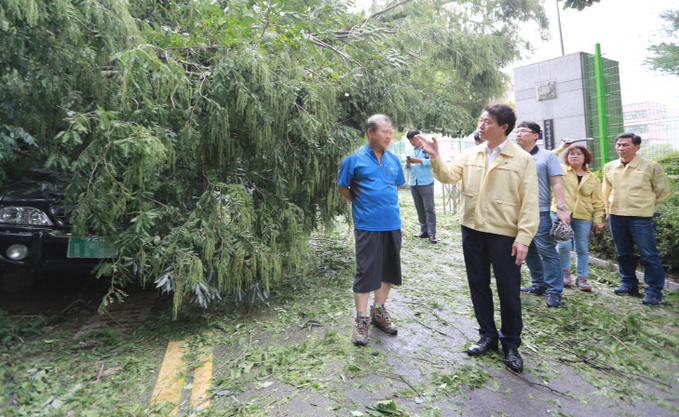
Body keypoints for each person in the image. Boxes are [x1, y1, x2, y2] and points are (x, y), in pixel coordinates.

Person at [419, 104, 539, 373]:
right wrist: (435, 156)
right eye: (481, 121)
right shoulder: (471, 153)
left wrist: (524, 238)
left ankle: (511, 344)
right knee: (478, 285)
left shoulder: (522, 159)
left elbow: (530, 202)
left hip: (505, 234)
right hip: (472, 230)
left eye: (487, 122)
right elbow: (448, 176)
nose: (481, 125)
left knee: (508, 291)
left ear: (503, 127)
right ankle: (487, 335)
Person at [337, 114, 406, 345]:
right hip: (367, 226)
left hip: (392, 224)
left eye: (391, 132)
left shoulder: (394, 160)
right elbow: (342, 187)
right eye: (385, 132)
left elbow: (395, 187)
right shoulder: (353, 160)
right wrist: (362, 205)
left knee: (388, 270)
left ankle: (379, 311)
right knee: (366, 272)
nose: (389, 136)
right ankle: (361, 319)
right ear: (370, 132)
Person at [603, 133, 670, 306]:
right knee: (623, 253)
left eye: (625, 145)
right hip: (616, 215)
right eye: (618, 145)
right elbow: (606, 191)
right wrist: (607, 210)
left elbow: (662, 190)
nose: (621, 148)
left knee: (649, 254)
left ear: (637, 147)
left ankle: (654, 292)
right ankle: (629, 285)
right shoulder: (610, 166)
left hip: (641, 217)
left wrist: (646, 205)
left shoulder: (651, 166)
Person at [515, 121, 571, 308]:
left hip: (539, 210)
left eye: (523, 131)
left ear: (535, 135)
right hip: (516, 211)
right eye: (517, 131)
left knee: (545, 249)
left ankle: (554, 290)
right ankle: (539, 284)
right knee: (527, 248)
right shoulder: (512, 155)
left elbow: (556, 183)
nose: (519, 134)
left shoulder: (547, 156)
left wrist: (561, 209)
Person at [550, 141, 605, 291]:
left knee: (582, 247)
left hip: (583, 215)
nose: (574, 156)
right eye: (571, 154)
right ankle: (563, 273)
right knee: (564, 244)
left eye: (578, 154)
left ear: (585, 157)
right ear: (566, 157)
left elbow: (598, 200)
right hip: (561, 212)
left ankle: (582, 278)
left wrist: (598, 219)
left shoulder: (592, 177)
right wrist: (562, 147)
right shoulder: (560, 170)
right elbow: (548, 157)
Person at [405, 129, 437, 244]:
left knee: (429, 208)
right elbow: (407, 168)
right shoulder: (410, 150)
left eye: (413, 140)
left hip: (426, 182)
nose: (412, 142)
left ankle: (432, 233)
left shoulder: (427, 148)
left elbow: (434, 162)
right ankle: (424, 231)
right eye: (410, 141)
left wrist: (420, 161)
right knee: (419, 209)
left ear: (418, 138)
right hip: (414, 183)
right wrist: (408, 163)